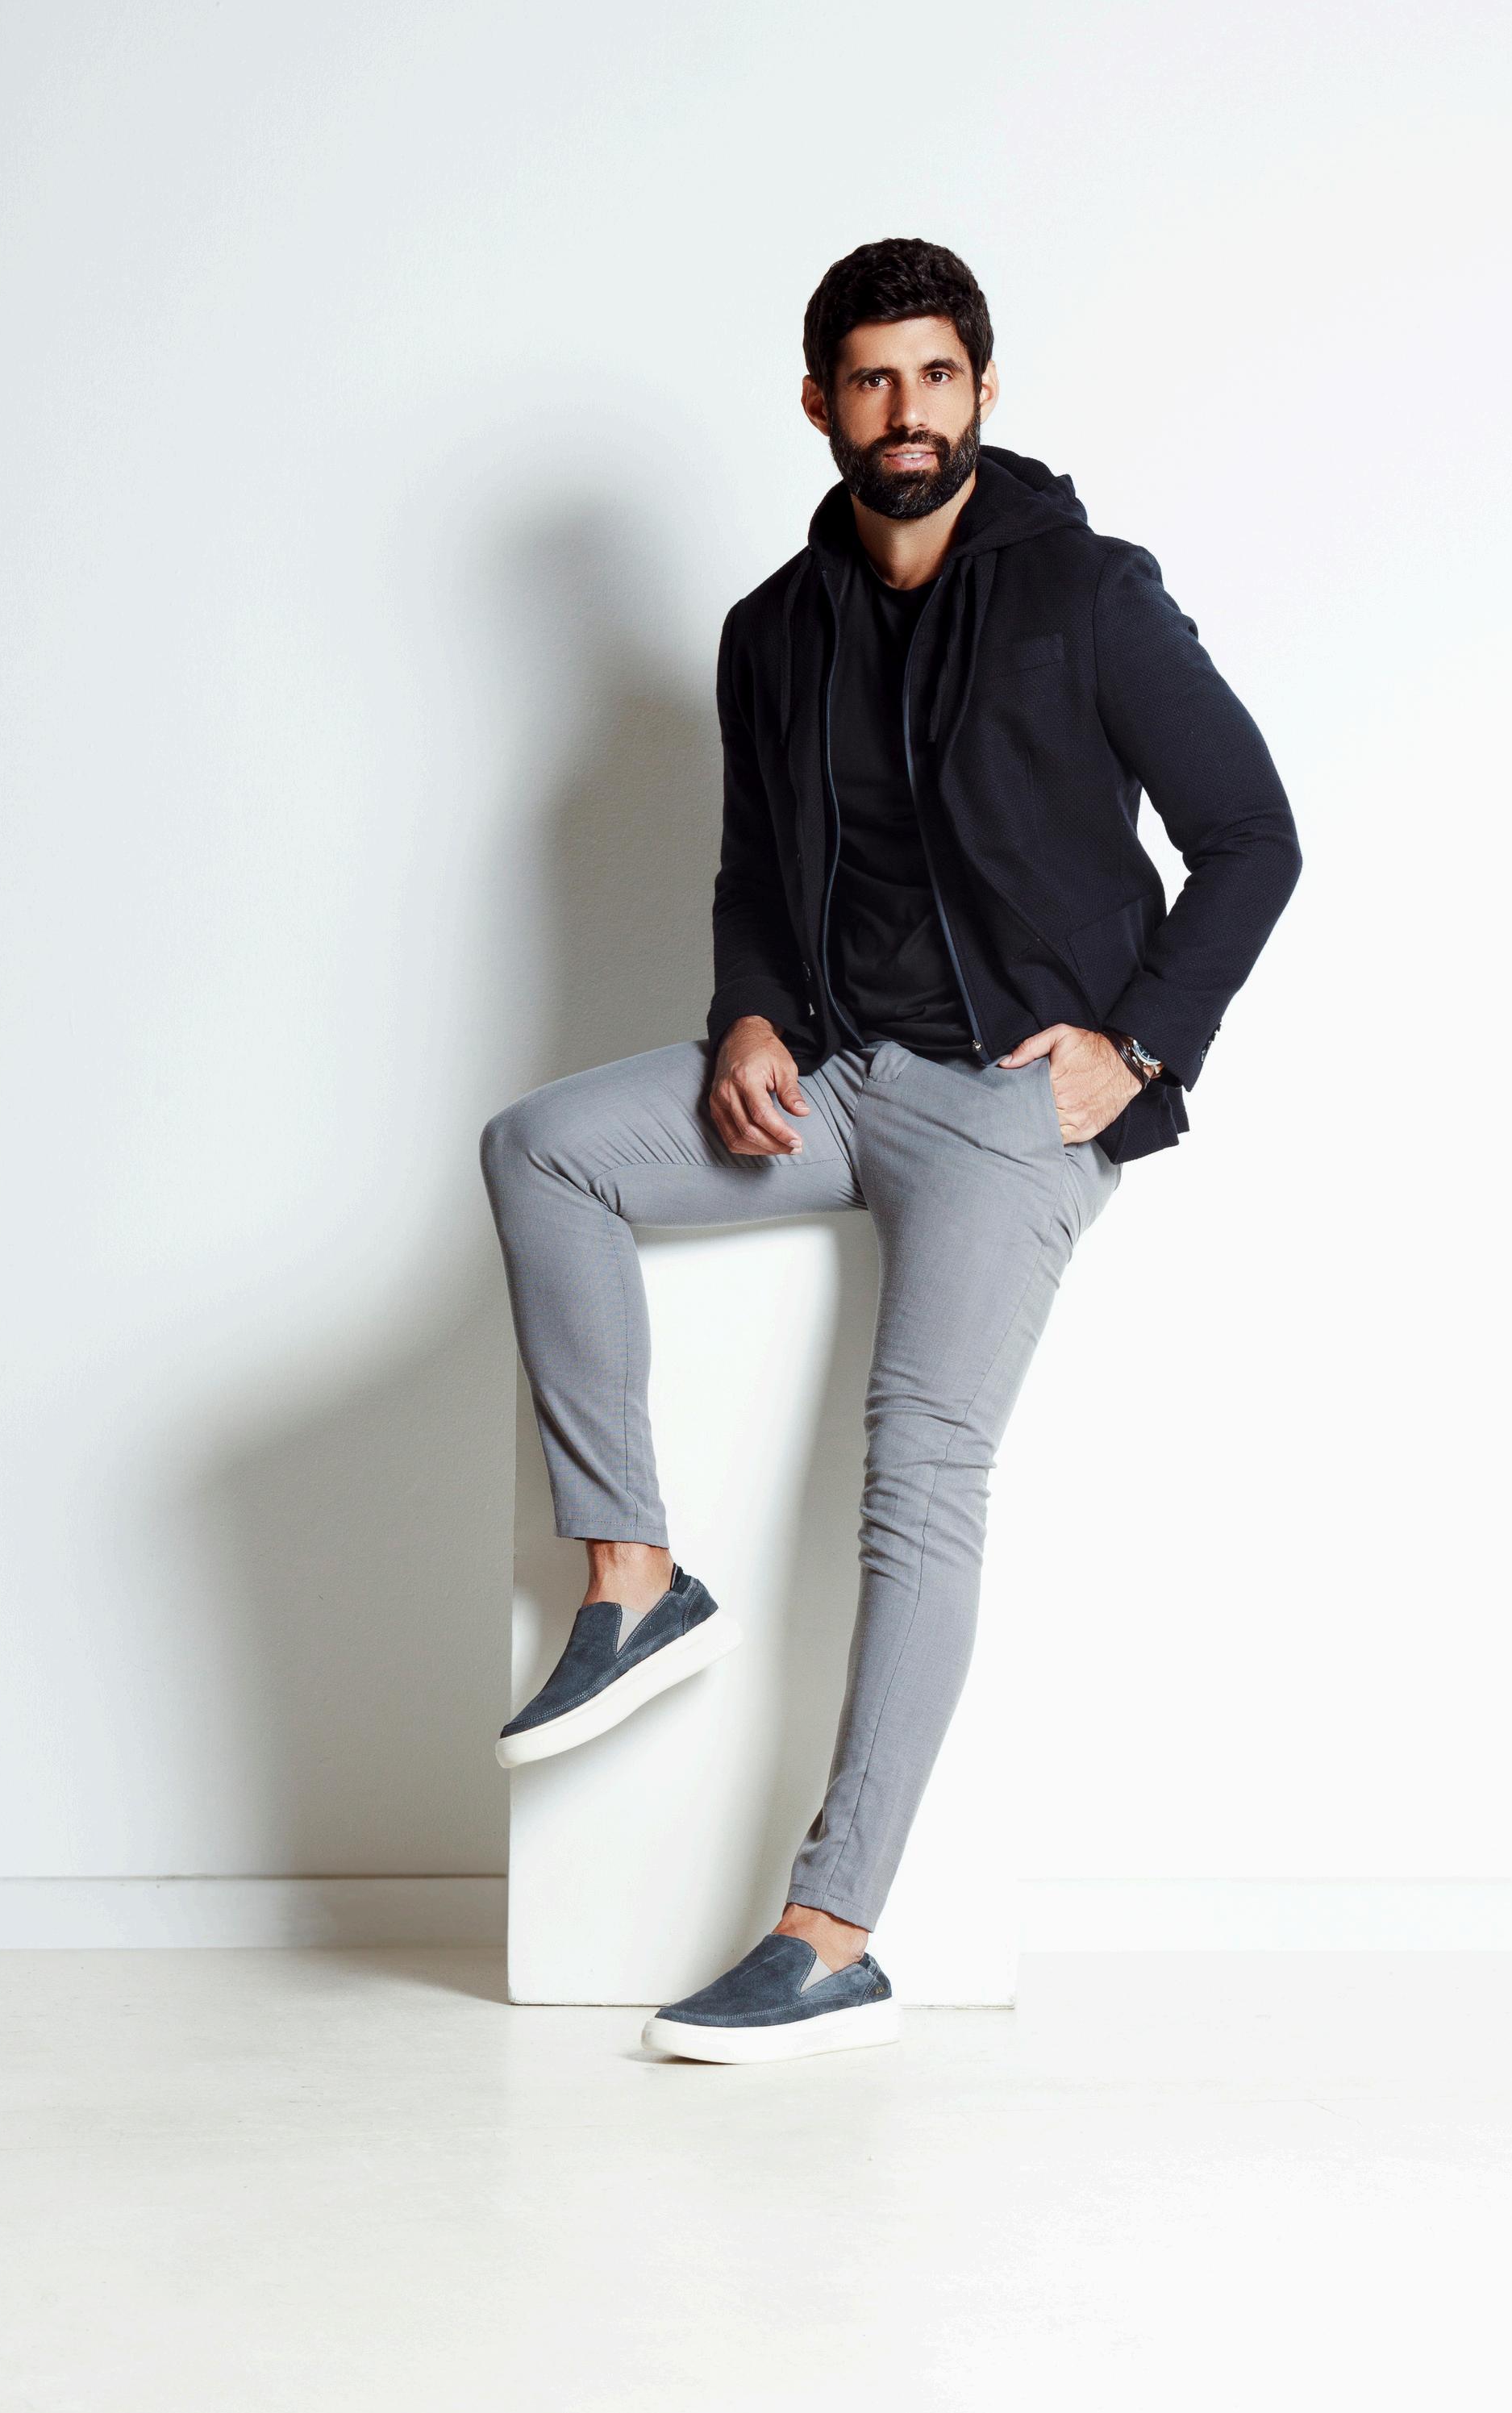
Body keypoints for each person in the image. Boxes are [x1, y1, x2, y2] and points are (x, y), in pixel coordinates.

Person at [480, 239, 1301, 2062]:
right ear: (820, 403)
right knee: (542, 1148)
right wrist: (751, 1014)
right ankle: (633, 1574)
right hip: (836, 1079)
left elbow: (1253, 834)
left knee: (919, 1475)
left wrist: (1136, 1048)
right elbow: (753, 879)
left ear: (983, 391)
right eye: (872, 381)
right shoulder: (774, 632)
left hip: (1014, 1104)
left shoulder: (1088, 594)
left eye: (936, 377)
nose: (906, 413)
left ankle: (832, 1931)